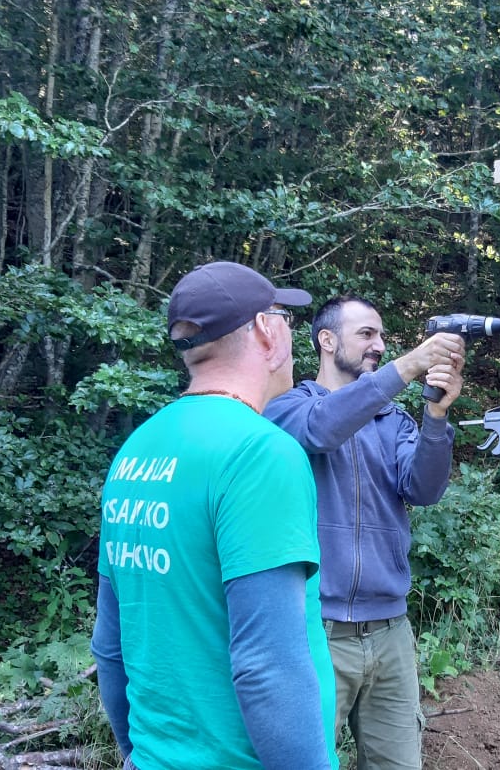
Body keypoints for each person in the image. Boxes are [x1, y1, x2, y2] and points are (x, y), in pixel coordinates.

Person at [90, 261, 337, 770]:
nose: (290, 333)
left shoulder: (137, 449)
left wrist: (137, 753)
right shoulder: (260, 453)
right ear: (267, 332)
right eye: (284, 319)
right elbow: (268, 668)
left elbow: (109, 646)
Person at [264, 296, 465, 770]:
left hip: (391, 632)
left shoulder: (391, 420)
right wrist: (409, 365)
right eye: (365, 335)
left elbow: (423, 488)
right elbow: (322, 431)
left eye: (381, 336)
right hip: (318, 631)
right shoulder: (287, 409)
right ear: (327, 340)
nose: (377, 345)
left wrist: (435, 417)